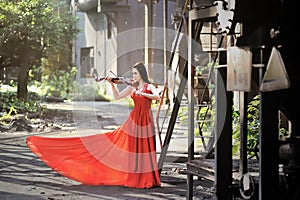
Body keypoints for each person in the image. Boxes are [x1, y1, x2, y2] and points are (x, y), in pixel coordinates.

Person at [26, 62, 161, 188]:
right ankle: (135, 178)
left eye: (135, 74)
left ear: (142, 74)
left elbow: (157, 97)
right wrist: (112, 84)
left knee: (145, 148)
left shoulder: (148, 87)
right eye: (132, 74)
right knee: (130, 148)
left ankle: (148, 179)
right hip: (134, 120)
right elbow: (117, 97)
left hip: (146, 120)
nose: (133, 76)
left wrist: (141, 93)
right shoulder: (132, 87)